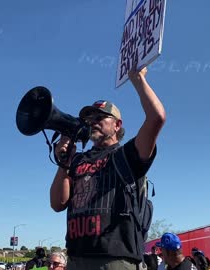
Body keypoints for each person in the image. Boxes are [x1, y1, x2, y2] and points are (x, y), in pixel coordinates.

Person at [50, 66, 166, 270]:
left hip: (115, 260)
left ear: (117, 125)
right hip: (76, 258)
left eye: (100, 118)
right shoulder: (77, 160)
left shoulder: (126, 154)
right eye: (90, 119)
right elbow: (57, 204)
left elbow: (156, 118)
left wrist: (138, 80)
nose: (92, 123)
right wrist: (64, 163)